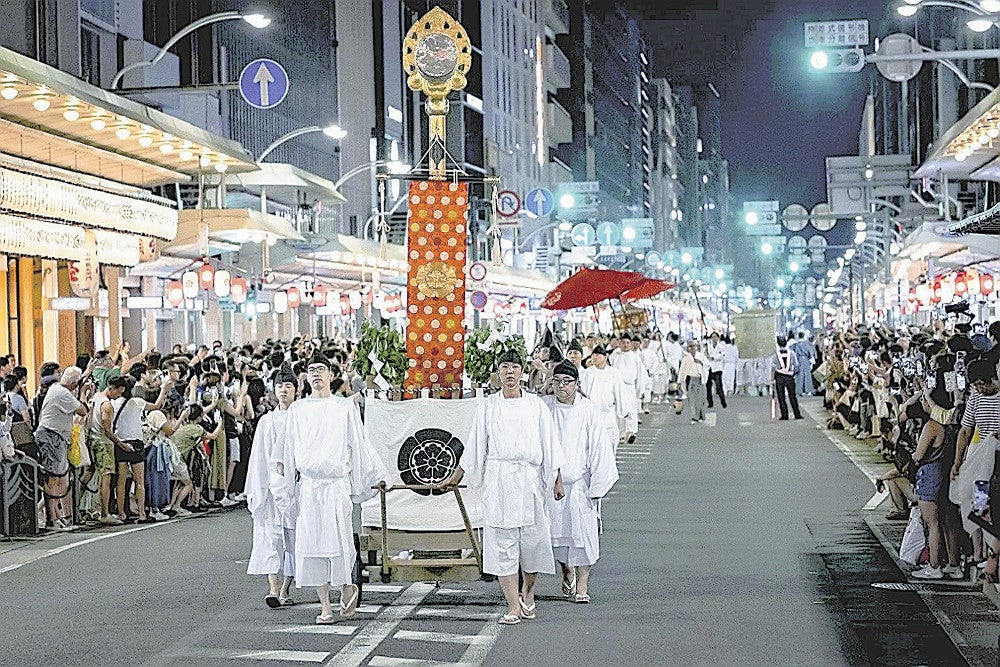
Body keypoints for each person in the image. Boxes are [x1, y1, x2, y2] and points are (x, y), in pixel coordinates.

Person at [444, 346, 565, 625]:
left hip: (529, 479)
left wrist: (557, 479)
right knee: (502, 544)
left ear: (522, 372)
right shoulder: (488, 406)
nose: (510, 372)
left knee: (533, 543)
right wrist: (457, 475)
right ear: (498, 373)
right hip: (499, 480)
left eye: (514, 368)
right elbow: (475, 445)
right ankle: (512, 605)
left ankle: (528, 591)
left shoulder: (535, 406)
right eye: (504, 368)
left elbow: (551, 444)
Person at [272, 351, 387, 625]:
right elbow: (285, 452)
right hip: (309, 488)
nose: (316, 374)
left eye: (321, 369)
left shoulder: (343, 407)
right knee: (312, 546)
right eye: (311, 369)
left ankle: (346, 585)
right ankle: (325, 605)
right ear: (306, 376)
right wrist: (283, 486)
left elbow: (359, 444)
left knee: (340, 542)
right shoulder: (297, 410)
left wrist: (374, 475)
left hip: (336, 487)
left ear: (330, 374)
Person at [544, 360, 618, 604]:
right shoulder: (544, 408)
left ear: (576, 384)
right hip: (551, 484)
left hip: (580, 485)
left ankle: (582, 585)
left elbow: (599, 447)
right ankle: (566, 569)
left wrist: (597, 485)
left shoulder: (588, 409)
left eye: (567, 382)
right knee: (557, 535)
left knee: (584, 536)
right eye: (557, 381)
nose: (561, 386)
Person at [247, 364, 298, 608]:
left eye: (288, 386)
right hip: (270, 488)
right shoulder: (266, 421)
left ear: (296, 390)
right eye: (279, 386)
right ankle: (273, 589)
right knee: (270, 538)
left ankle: (285, 588)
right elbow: (258, 457)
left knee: (293, 539)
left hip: (295, 487)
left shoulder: (301, 418)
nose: (283, 390)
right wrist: (257, 488)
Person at [35, 366, 89, 529]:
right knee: (53, 478)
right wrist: (83, 393)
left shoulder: (57, 388)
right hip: (51, 437)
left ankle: (57, 517)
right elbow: (83, 410)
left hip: (55, 437)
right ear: (74, 384)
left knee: (59, 478)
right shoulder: (63, 393)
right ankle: (51, 519)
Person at [579, 345, 629, 449]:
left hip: (608, 414)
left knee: (609, 446)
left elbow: (620, 392)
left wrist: (623, 410)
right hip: (591, 414)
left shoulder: (613, 373)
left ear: (605, 357)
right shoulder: (587, 373)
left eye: (598, 355)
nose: (594, 357)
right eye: (593, 355)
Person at [678, 341, 709, 424]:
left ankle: (701, 415)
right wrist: (680, 381)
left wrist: (700, 362)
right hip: (691, 379)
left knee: (701, 399)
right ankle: (695, 417)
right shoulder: (686, 358)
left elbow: (707, 365)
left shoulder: (701, 356)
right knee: (692, 399)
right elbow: (682, 370)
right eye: (690, 346)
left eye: (693, 346)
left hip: (700, 379)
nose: (692, 348)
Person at [773, 337, 803, 420]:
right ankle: (797, 414)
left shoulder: (775, 355)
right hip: (789, 376)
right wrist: (793, 373)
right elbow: (796, 365)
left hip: (779, 376)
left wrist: (772, 378)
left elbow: (773, 367)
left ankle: (784, 415)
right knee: (792, 396)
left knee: (781, 397)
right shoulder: (791, 353)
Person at [705, 332, 727, 409]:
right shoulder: (708, 346)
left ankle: (723, 401)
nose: (713, 338)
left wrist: (714, 357)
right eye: (712, 337)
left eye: (715, 337)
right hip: (709, 368)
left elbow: (722, 355)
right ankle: (710, 402)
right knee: (708, 387)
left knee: (719, 386)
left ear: (718, 338)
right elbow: (705, 354)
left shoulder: (721, 346)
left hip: (717, 368)